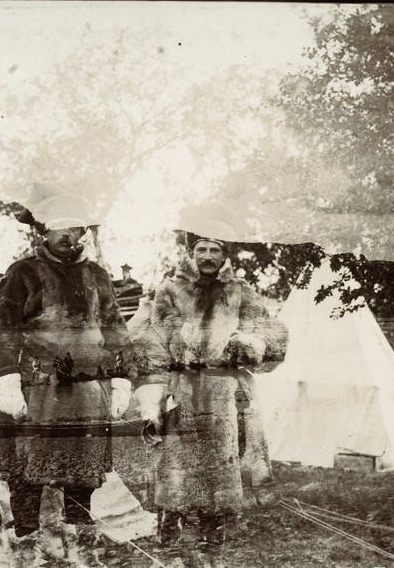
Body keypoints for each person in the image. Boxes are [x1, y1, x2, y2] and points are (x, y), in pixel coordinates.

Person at [0, 181, 134, 556]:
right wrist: (8, 382)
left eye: (74, 227)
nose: (67, 235)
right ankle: (27, 538)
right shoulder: (24, 272)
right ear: (43, 231)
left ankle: (80, 537)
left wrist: (121, 380)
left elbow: (115, 330)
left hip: (87, 389)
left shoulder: (97, 275)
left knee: (83, 466)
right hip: (37, 387)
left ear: (84, 232)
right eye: (58, 227)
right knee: (27, 468)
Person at [129, 202, 288, 546]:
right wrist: (156, 386)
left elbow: (268, 331)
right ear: (191, 253)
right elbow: (147, 337)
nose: (208, 256)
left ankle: (214, 522)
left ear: (225, 255)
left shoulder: (240, 292)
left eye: (215, 250)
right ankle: (170, 520)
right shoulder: (169, 291)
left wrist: (250, 341)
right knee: (175, 457)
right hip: (182, 385)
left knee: (221, 457)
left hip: (225, 388)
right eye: (201, 249)